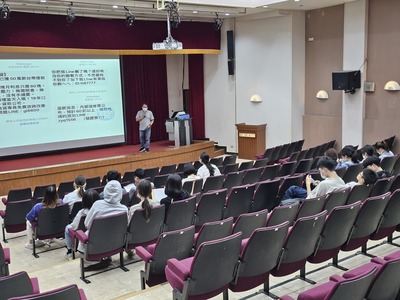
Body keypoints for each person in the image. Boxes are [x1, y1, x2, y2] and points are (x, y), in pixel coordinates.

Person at [80, 180, 128, 271]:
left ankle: (94, 262)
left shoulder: (97, 205)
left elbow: (87, 224)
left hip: (97, 244)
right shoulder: (124, 209)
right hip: (116, 243)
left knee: (85, 235)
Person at [281, 157, 346, 205]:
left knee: (290, 193)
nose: (320, 173)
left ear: (325, 170)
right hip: (324, 201)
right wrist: (319, 184)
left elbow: (309, 201)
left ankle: (282, 209)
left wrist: (308, 184)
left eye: (320, 171)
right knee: (293, 189)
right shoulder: (341, 180)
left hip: (314, 204)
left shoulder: (324, 184)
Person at [64, 189, 100, 260]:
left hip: (83, 235)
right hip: (97, 234)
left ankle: (69, 252)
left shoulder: (81, 213)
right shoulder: (100, 210)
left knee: (68, 227)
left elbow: (74, 227)